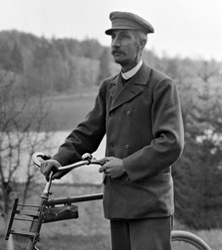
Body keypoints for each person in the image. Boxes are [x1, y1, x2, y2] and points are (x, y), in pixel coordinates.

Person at [40, 11, 184, 250]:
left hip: (149, 202)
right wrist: (59, 160)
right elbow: (87, 132)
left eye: (123, 37)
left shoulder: (161, 85)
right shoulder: (109, 87)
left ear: (141, 43)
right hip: (118, 201)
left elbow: (171, 143)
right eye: (113, 37)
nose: (115, 44)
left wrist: (126, 165)